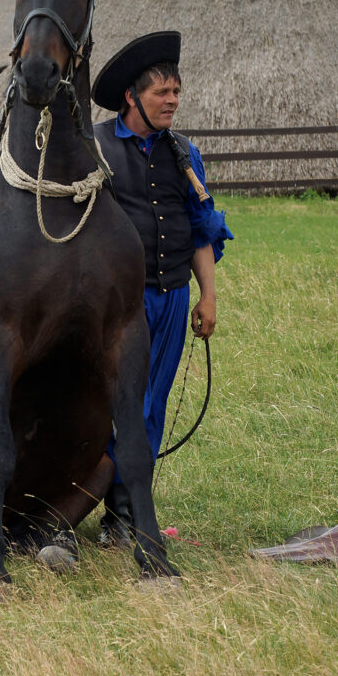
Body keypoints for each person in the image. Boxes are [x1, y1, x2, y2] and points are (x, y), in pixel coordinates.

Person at [90, 31, 234, 547]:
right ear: (132, 97)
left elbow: (201, 230)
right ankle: (69, 503)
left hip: (171, 297)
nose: (173, 100)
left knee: (151, 403)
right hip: (114, 302)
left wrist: (207, 296)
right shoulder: (95, 147)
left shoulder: (184, 153)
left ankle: (125, 514)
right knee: (104, 403)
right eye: (162, 92)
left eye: (176, 92)